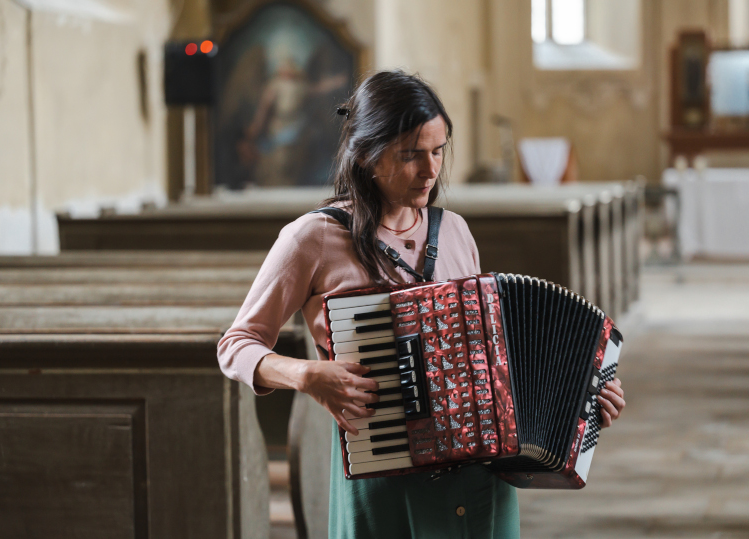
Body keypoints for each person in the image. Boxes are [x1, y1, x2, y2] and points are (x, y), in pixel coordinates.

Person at [217, 69, 626, 539]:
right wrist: (307, 376)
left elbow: (494, 351)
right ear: (367, 154)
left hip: (478, 478)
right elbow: (236, 346)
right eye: (411, 155)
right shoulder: (312, 238)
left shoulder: (454, 231)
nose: (431, 171)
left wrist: (584, 395)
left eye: (438, 151)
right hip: (385, 475)